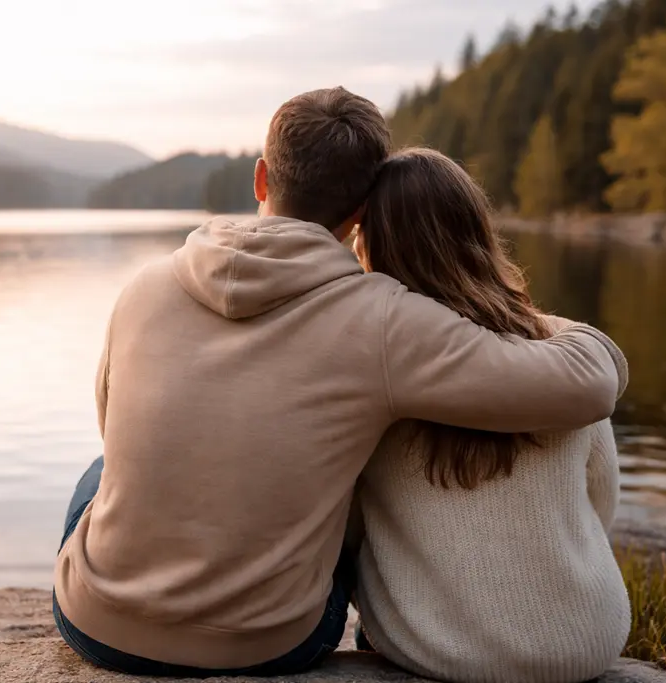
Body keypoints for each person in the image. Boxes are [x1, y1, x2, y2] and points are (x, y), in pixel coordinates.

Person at [53, 87, 628, 677]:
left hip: (97, 625)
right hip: (269, 645)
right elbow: (586, 385)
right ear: (362, 209)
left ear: (260, 178)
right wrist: (546, 325)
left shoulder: (144, 287)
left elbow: (113, 425)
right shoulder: (385, 319)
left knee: (100, 472)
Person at [347, 147, 630, 683]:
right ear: (479, 229)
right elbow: (601, 499)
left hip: (437, 650)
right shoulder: (558, 356)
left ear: (373, 243)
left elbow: (353, 530)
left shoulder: (376, 365)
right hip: (586, 642)